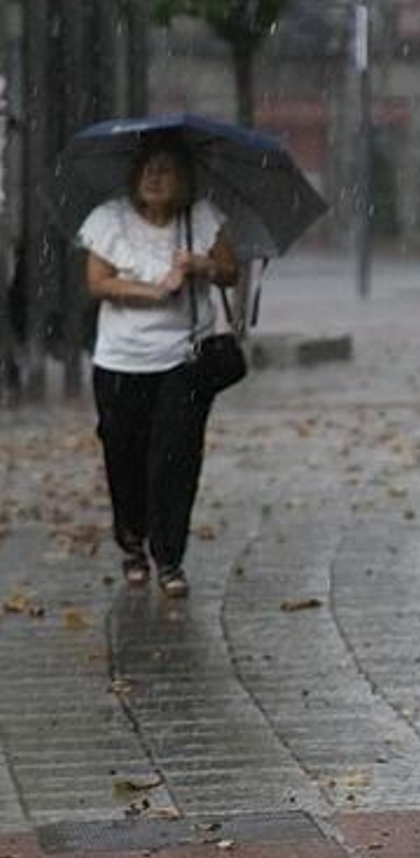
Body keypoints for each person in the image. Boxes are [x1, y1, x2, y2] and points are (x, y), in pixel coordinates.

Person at [78, 136, 240, 599]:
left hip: (183, 359)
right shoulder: (110, 219)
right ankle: (132, 541)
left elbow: (230, 271)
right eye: (147, 168)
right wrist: (155, 291)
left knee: (175, 457)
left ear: (184, 179)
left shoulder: (202, 218)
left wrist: (202, 265)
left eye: (165, 168)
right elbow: (97, 282)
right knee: (124, 456)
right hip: (120, 360)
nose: (154, 176)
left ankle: (169, 557)